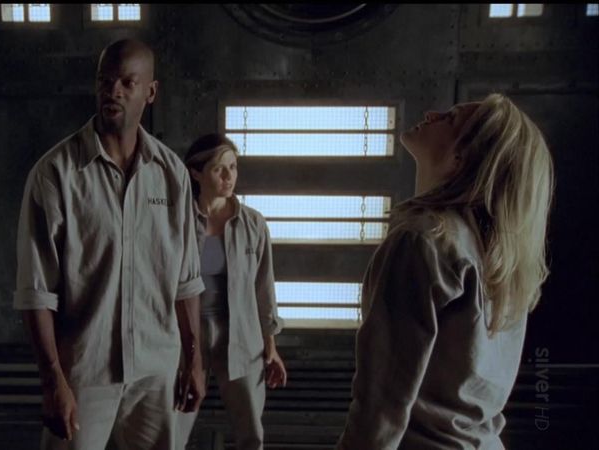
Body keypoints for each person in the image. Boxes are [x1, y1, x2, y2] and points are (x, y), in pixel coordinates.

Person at [14, 39, 205, 450]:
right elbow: (35, 292)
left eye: (126, 83)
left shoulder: (171, 174)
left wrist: (194, 361)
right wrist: (52, 381)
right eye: (104, 81)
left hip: (156, 370)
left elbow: (186, 282)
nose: (112, 91)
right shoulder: (56, 174)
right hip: (84, 371)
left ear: (150, 92)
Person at [336, 93, 554, 449]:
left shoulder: (422, 242)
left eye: (450, 119)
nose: (431, 113)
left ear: (461, 157)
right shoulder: (500, 259)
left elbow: (380, 406)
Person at [176, 134, 287, 450]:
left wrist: (270, 346)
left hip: (241, 336)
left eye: (233, 167)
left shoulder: (252, 223)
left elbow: (263, 287)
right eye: (218, 169)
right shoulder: (179, 222)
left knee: (251, 433)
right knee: (172, 430)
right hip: (187, 337)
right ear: (196, 173)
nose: (228, 177)